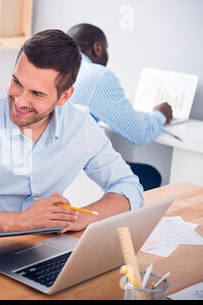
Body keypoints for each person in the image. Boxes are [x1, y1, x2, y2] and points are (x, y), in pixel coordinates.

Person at [0, 30, 144, 235]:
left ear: (64, 97)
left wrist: (81, 217)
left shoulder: (80, 125)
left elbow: (129, 186)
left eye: (37, 94)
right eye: (17, 82)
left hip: (39, 246)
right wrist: (22, 221)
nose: (21, 100)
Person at [67, 23, 173, 191]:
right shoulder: (97, 75)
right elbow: (140, 135)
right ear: (97, 48)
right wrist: (160, 114)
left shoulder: (59, 69)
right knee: (151, 175)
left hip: (58, 168)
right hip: (78, 176)